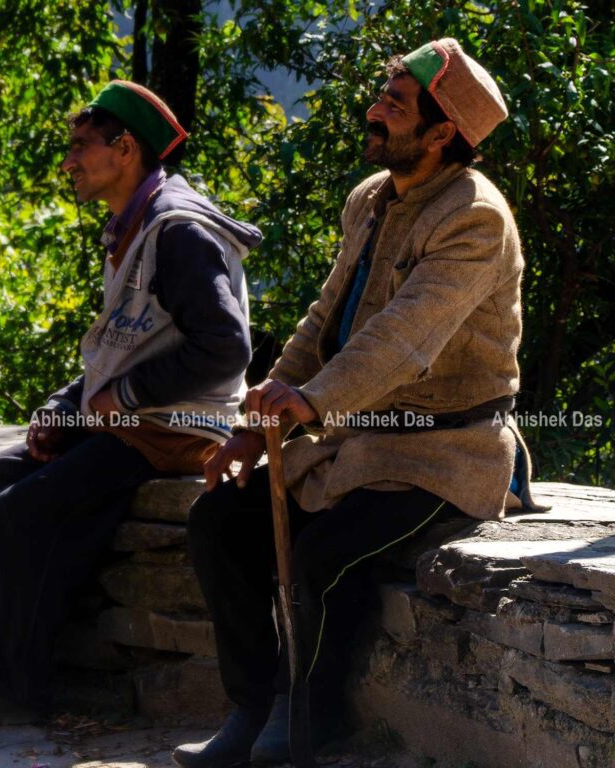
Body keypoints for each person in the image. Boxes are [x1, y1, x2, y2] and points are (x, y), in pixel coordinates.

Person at [173, 39, 543, 768]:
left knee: (324, 554)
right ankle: (251, 706)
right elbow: (325, 320)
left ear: (442, 134)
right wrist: (260, 426)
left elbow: (404, 341)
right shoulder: (371, 199)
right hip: (351, 441)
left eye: (395, 106)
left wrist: (308, 405)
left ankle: (311, 710)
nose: (374, 112)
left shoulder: (475, 217)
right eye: (382, 95)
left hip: (442, 452)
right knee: (218, 521)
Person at [0, 80, 262, 725]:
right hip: (131, 420)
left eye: (81, 148)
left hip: (177, 427)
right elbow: (124, 344)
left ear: (126, 148)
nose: (69, 162)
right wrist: (63, 406)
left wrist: (124, 396)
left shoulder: (179, 231)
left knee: (27, 506)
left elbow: (225, 348)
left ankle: (16, 687)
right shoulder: (132, 223)